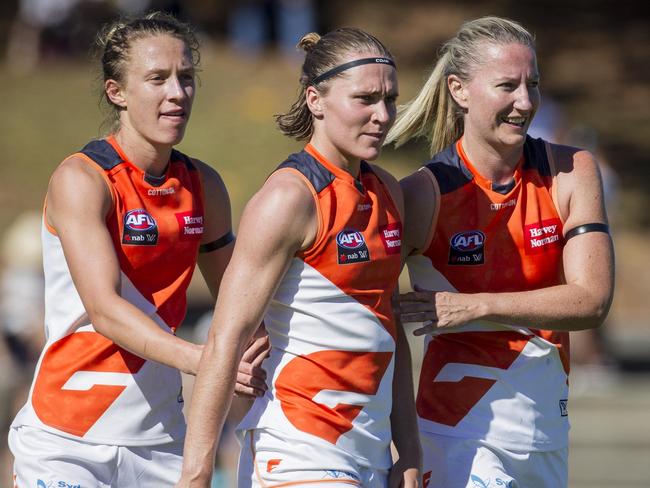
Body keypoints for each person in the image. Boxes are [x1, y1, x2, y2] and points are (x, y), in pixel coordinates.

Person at [8, 12, 266, 487]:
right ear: (117, 92)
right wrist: (205, 360)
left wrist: (252, 348)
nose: (177, 93)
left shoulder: (203, 185)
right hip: (68, 442)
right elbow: (105, 310)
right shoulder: (83, 179)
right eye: (157, 79)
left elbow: (240, 303)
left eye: (186, 78)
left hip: (161, 441)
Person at [177, 27, 420, 488]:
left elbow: (388, 325)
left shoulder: (388, 190)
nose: (383, 115)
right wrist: (196, 474)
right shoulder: (289, 198)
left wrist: (407, 448)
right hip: (299, 450)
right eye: (365, 99)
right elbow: (226, 338)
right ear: (316, 100)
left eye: (390, 99)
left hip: (368, 450)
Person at [386, 16, 615, 488]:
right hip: (457, 435)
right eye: (507, 86)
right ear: (460, 89)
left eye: (532, 84)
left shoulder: (570, 171)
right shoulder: (425, 194)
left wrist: (477, 307)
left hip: (547, 432)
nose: (525, 102)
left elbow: (592, 300)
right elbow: (362, 298)